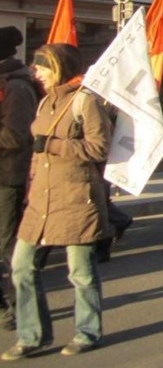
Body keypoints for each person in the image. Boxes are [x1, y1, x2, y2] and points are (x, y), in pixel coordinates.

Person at [3, 44, 111, 360]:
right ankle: (32, 335)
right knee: (21, 266)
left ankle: (88, 332)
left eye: (41, 67)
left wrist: (55, 144)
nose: (35, 72)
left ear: (58, 68)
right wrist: (29, 190)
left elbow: (99, 149)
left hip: (76, 198)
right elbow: (37, 155)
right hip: (41, 201)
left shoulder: (84, 101)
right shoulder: (45, 102)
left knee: (81, 272)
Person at [0, 27, 40, 331]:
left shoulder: (16, 87)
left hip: (8, 177)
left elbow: (15, 135)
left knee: (8, 246)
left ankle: (20, 308)